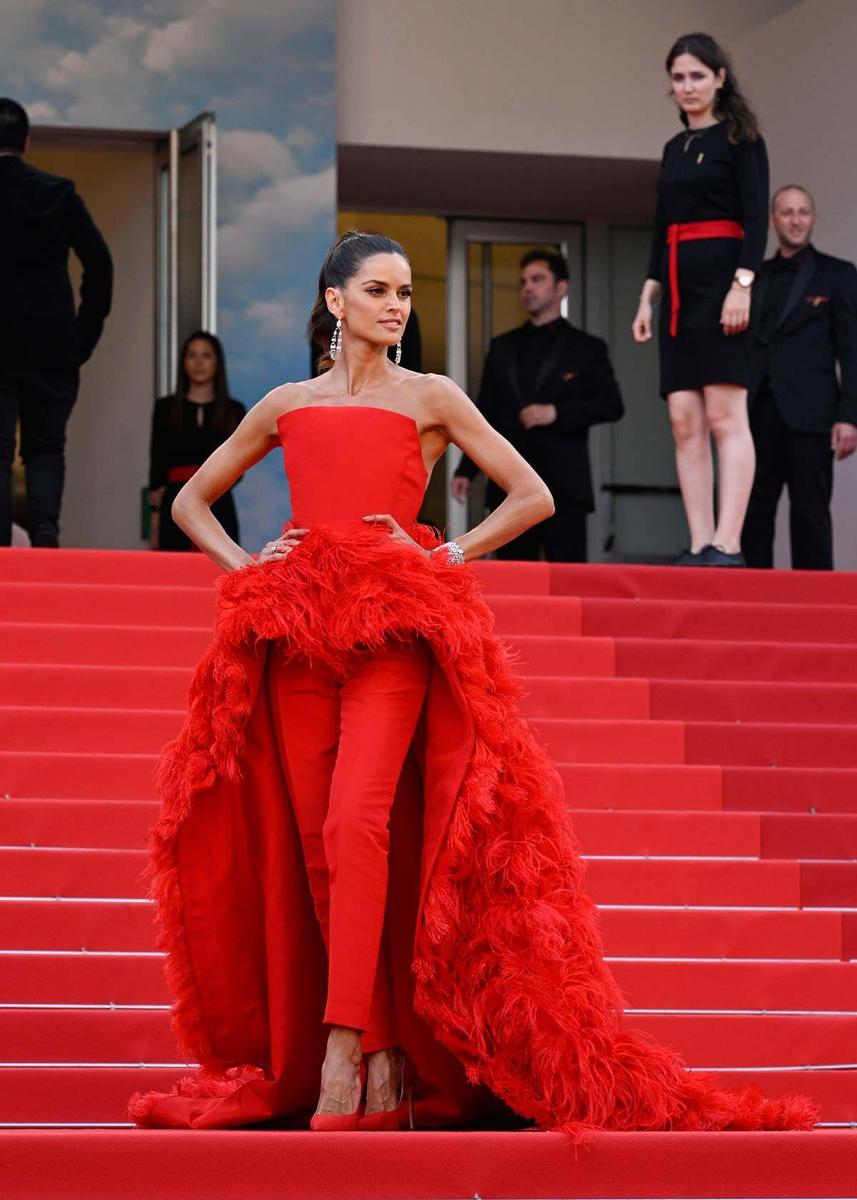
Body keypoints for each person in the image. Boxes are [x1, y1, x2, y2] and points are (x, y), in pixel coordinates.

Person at [129, 231, 814, 1135]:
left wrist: (446, 550)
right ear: (336, 303)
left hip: (399, 630)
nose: (396, 305)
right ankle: (375, 1046)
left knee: (356, 821)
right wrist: (248, 568)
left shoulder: (433, 396)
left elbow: (529, 493)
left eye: (405, 292)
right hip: (295, 637)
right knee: (316, 845)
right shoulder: (286, 404)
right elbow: (188, 502)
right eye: (377, 290)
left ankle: (345, 1042)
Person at [632, 34, 769, 567]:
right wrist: (648, 299)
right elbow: (662, 228)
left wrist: (743, 284)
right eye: (679, 77)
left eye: (696, 75)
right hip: (677, 294)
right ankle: (699, 541)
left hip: (725, 290)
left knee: (725, 416)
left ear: (719, 78)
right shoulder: (672, 149)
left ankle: (728, 543)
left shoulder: (741, 138)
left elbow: (756, 218)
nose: (687, 86)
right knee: (684, 420)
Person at [452, 250, 623, 562]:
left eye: (537, 279)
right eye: (523, 282)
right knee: (514, 583)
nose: (527, 287)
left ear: (561, 288)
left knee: (568, 585)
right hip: (511, 486)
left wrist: (555, 413)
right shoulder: (502, 347)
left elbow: (612, 405)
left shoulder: (587, 348)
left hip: (566, 486)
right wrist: (467, 470)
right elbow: (484, 411)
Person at [0, 97, 113, 548]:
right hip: (51, 347)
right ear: (26, 142)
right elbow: (100, 264)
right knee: (46, 448)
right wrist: (81, 337)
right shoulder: (57, 193)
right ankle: (45, 542)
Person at [742, 186, 857, 570]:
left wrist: (849, 416)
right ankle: (751, 601)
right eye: (787, 212)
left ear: (813, 219)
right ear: (773, 220)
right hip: (757, 411)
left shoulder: (838, 275)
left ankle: (816, 606)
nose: (795, 220)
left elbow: (852, 351)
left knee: (810, 512)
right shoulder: (753, 276)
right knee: (753, 511)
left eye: (803, 212)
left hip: (812, 412)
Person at [148, 331, 245, 551]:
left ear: (217, 363)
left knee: (223, 575)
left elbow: (240, 465)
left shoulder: (234, 411)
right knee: (174, 574)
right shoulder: (165, 409)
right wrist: (154, 521)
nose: (199, 362)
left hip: (219, 501)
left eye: (206, 356)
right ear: (183, 362)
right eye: (192, 355)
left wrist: (209, 486)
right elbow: (156, 464)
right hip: (175, 503)